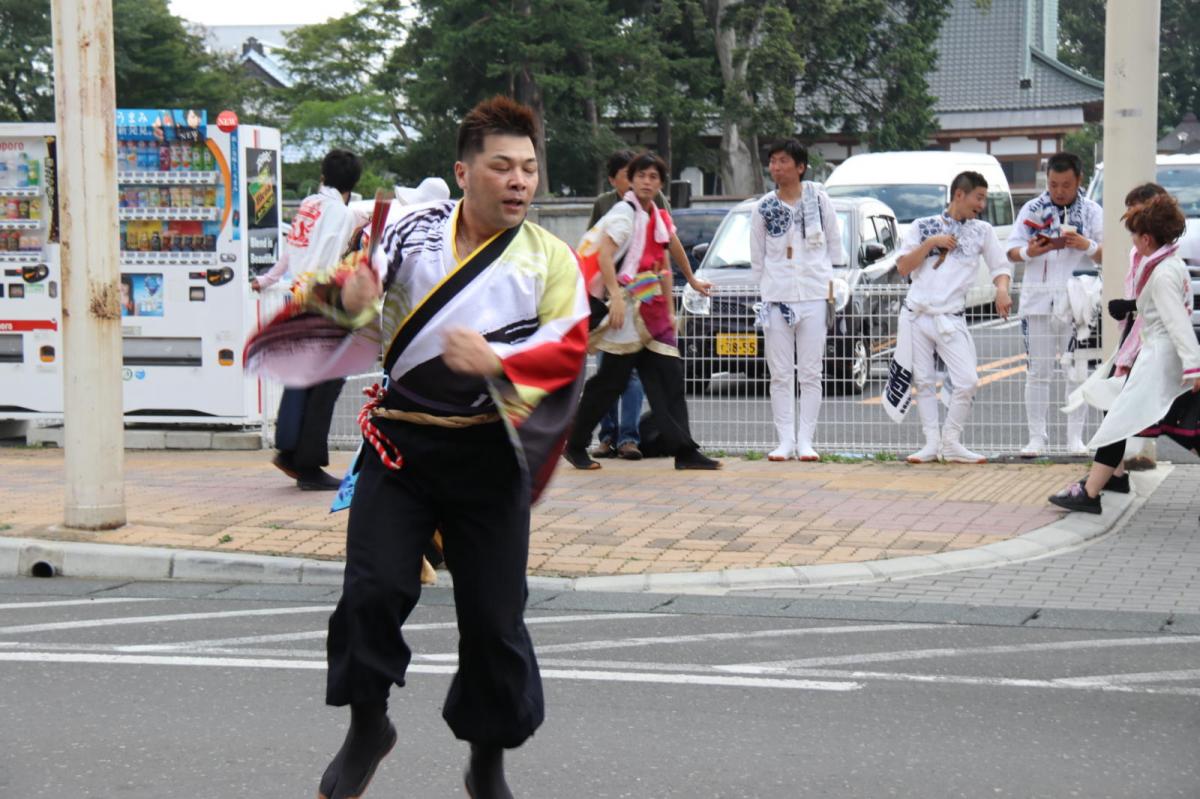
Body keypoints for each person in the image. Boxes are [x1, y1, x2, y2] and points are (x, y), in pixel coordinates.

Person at [314, 96, 589, 799]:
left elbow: (568, 353)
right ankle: (367, 724)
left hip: (490, 456)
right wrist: (351, 295)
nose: (519, 181)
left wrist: (499, 363)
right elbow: (353, 304)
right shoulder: (411, 232)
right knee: (372, 590)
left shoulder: (550, 258)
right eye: (502, 166)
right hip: (401, 445)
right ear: (464, 173)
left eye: (529, 168)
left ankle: (487, 760)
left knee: (495, 620)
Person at [563, 151, 720, 471]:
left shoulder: (656, 217)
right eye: (641, 176)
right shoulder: (624, 213)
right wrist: (617, 299)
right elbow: (605, 255)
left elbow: (662, 262)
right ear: (630, 181)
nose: (647, 182)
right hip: (628, 314)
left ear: (660, 183)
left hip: (652, 314)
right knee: (610, 382)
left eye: (653, 177)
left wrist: (673, 305)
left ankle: (685, 451)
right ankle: (575, 444)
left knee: (669, 378)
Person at [1050, 194, 1199, 513]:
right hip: (1163, 359)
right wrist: (1131, 306)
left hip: (1159, 361)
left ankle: (1090, 493)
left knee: (1120, 418)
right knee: (1180, 428)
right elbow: (1165, 310)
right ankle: (1099, 485)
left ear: (1146, 238)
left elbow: (1177, 324)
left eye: (1134, 234)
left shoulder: (1161, 273)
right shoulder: (1170, 265)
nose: (1132, 240)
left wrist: (1194, 368)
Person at [253, 148, 367, 490]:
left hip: (298, 298)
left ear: (322, 176)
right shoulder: (342, 214)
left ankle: (289, 451)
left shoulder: (307, 206)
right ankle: (307, 464)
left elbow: (290, 252)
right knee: (326, 385)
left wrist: (266, 280)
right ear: (352, 184)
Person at [888, 171, 1012, 463]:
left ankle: (951, 440)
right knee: (924, 381)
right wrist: (931, 242)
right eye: (978, 198)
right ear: (960, 195)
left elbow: (1000, 265)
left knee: (967, 380)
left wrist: (1002, 290)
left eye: (984, 198)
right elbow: (904, 267)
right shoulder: (922, 226)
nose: (981, 205)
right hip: (917, 313)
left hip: (951, 316)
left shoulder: (982, 230)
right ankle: (931, 443)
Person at [750, 139, 844, 461]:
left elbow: (835, 245)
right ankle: (785, 440)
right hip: (776, 298)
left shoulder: (819, 201)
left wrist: (832, 285)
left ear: (800, 166)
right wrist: (767, 291)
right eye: (773, 161)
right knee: (779, 373)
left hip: (815, 295)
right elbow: (757, 259)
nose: (776, 167)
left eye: (783, 161)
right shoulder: (763, 207)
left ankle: (806, 440)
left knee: (811, 371)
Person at [1007, 152, 1104, 457]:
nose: (1059, 190)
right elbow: (1010, 250)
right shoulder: (1033, 208)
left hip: (1080, 302)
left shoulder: (1091, 211)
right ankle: (1037, 437)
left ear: (1079, 181)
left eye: (1066, 184)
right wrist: (1028, 252)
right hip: (1038, 300)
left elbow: (1108, 254)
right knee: (1038, 371)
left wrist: (1085, 245)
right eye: (1053, 184)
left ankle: (1074, 439)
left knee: (1078, 371)